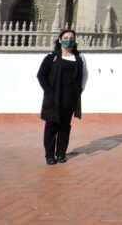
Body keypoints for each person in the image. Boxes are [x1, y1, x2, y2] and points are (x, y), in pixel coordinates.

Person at [37, 29, 88, 165]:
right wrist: (48, 91)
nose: (68, 40)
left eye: (71, 38)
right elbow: (41, 75)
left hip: (69, 97)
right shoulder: (52, 57)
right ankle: (49, 155)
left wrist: (80, 89)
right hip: (53, 97)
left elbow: (85, 74)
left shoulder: (79, 57)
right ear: (60, 40)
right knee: (51, 126)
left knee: (65, 126)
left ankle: (61, 154)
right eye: (65, 37)